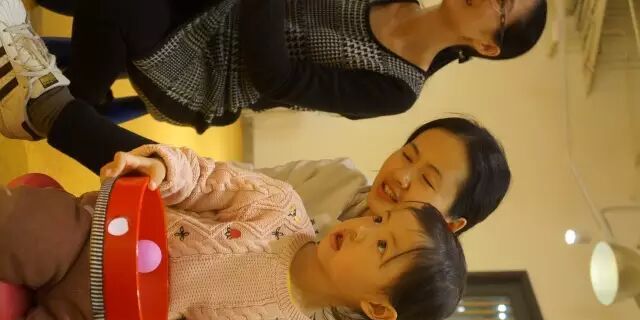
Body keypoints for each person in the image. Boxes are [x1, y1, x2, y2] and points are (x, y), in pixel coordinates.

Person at [0, 0, 506, 320]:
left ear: (450, 221)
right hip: (104, 232)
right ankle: (44, 99)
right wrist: (166, 171)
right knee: (31, 224)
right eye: (408, 155)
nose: (399, 179)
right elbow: (218, 182)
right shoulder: (292, 203)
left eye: (427, 181)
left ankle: (46, 103)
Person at [0, 139, 467, 320]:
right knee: (19, 226)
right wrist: (165, 169)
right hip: (93, 234)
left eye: (382, 247)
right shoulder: (279, 207)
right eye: (379, 220)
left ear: (377, 308)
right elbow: (206, 180)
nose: (363, 229)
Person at [22, 0, 547, 136]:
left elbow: (275, 79)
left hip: (209, 75)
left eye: (501, 7)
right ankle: (65, 84)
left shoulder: (396, 89)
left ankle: (71, 106)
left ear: (488, 45)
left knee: (117, 8)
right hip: (217, 10)